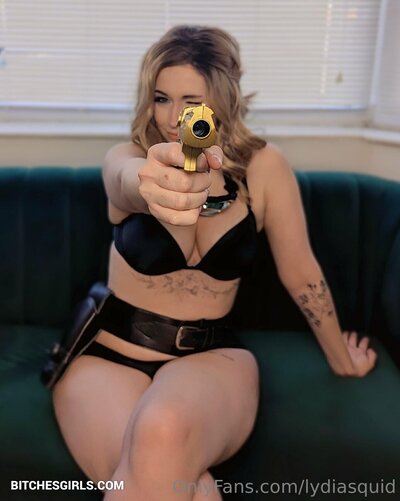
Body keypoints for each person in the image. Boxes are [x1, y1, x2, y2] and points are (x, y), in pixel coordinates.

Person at [50, 25, 377, 500]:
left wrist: (341, 358)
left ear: (222, 101)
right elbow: (128, 181)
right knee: (194, 489)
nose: (172, 117)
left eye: (191, 101)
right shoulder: (129, 159)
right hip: (109, 354)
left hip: (211, 358)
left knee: (162, 429)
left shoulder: (264, 168)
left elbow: (300, 271)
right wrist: (155, 183)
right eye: (161, 98)